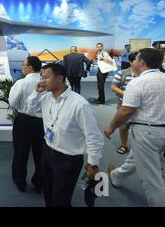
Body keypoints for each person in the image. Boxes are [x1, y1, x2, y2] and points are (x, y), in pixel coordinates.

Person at [105, 48, 165, 207]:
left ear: (142, 62)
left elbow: (126, 110)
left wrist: (110, 127)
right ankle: (117, 176)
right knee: (137, 158)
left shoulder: (137, 82)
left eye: (136, 58)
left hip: (147, 133)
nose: (134, 61)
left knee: (152, 181)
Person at [27, 63, 104, 207]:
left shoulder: (79, 104)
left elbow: (94, 136)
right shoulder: (45, 98)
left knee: (61, 199)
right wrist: (36, 92)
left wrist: (93, 163)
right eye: (42, 77)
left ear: (60, 78)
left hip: (67, 159)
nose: (42, 81)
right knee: (48, 193)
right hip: (47, 151)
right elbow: (31, 108)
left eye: (46, 77)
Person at [8, 56, 43, 193]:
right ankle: (39, 182)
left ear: (30, 68)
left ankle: (20, 181)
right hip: (43, 122)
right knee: (40, 154)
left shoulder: (21, 83)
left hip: (24, 120)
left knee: (20, 153)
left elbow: (13, 103)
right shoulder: (46, 82)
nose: (21, 67)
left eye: (23, 65)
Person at [110, 52, 137, 155]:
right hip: (124, 104)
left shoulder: (144, 75)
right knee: (123, 125)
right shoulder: (122, 73)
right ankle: (124, 144)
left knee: (139, 127)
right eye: (136, 61)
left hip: (142, 106)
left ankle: (138, 147)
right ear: (130, 62)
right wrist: (126, 94)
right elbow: (113, 87)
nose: (140, 63)